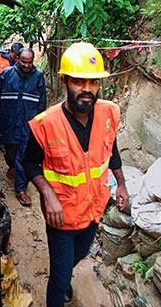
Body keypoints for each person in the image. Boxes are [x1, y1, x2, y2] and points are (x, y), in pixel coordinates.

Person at [22, 42, 129, 306]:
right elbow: (30, 163)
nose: (87, 90)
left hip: (93, 211)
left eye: (93, 83)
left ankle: (64, 271)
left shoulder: (107, 114)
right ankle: (59, 289)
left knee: (76, 258)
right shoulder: (46, 124)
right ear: (64, 81)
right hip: (62, 218)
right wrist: (47, 193)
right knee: (59, 278)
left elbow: (111, 150)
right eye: (79, 82)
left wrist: (122, 184)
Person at [0, 48, 46, 206]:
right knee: (9, 152)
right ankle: (12, 167)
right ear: (17, 59)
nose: (26, 65)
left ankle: (21, 189)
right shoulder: (7, 74)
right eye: (23, 61)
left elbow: (41, 103)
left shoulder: (38, 77)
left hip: (28, 125)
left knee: (22, 156)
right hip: (8, 122)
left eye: (29, 62)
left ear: (34, 62)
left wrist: (39, 123)